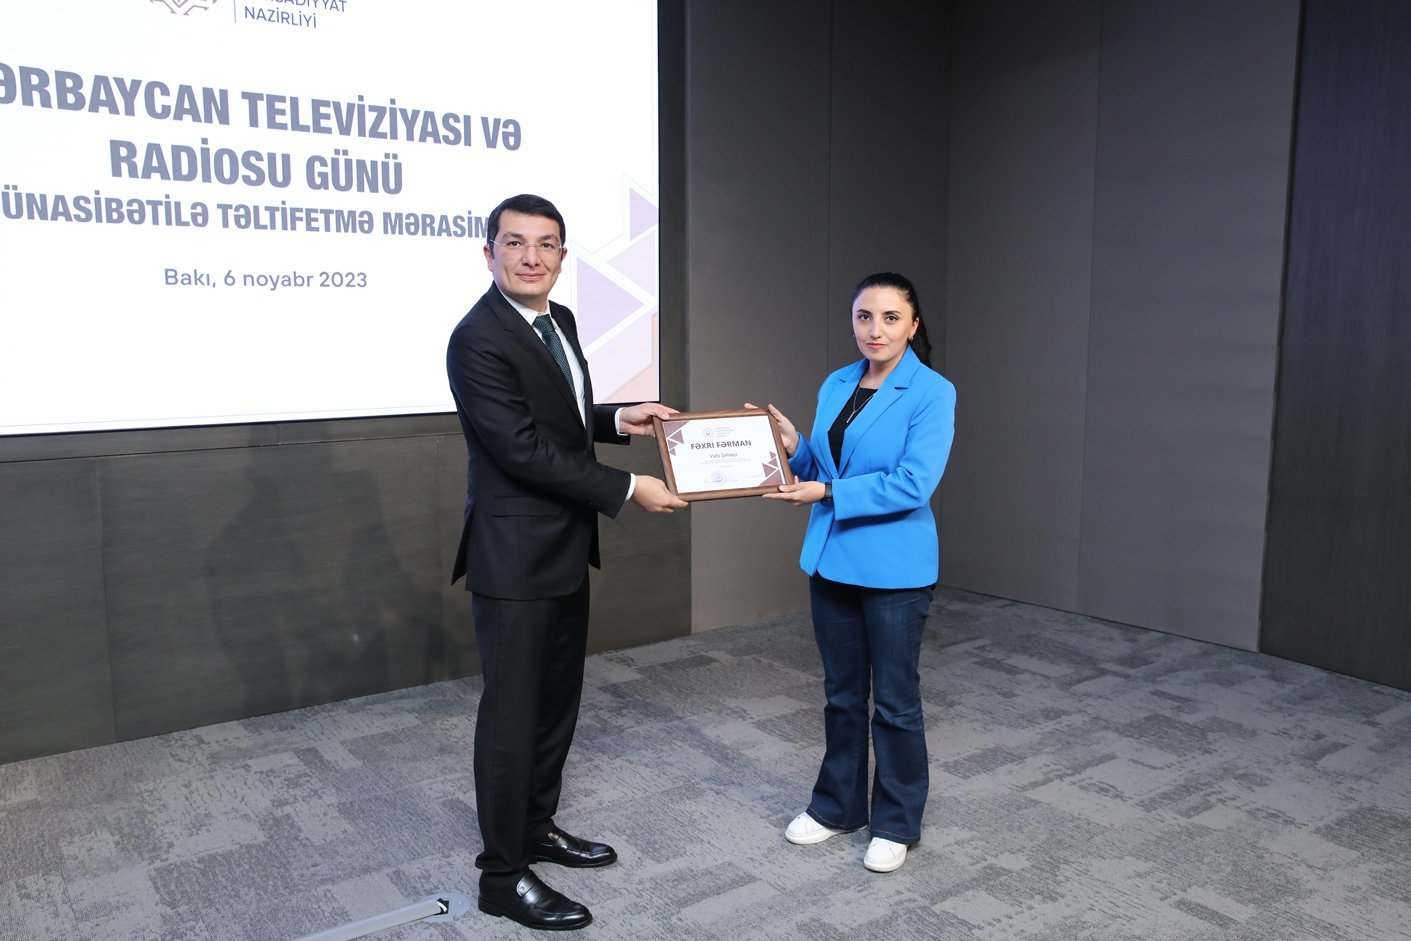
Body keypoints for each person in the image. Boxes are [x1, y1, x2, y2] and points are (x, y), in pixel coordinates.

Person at [446, 193, 687, 931]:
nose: (531, 257)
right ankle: (501, 874)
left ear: (561, 255)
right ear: (488, 252)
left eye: (545, 244)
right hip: (514, 556)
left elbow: (559, 417)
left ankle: (534, 827)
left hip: (562, 546)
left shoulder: (561, 321)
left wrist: (618, 418)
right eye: (514, 243)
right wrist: (628, 487)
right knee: (512, 715)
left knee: (555, 702)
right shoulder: (476, 338)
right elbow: (520, 448)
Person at [759, 271, 955, 873]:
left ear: (913, 325)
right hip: (831, 559)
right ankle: (837, 807)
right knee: (841, 696)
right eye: (864, 316)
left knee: (894, 701)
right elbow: (825, 465)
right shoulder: (837, 382)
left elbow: (913, 483)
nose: (875, 329)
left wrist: (826, 491)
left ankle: (895, 821)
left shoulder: (932, 392)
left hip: (895, 569)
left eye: (891, 318)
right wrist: (794, 445)